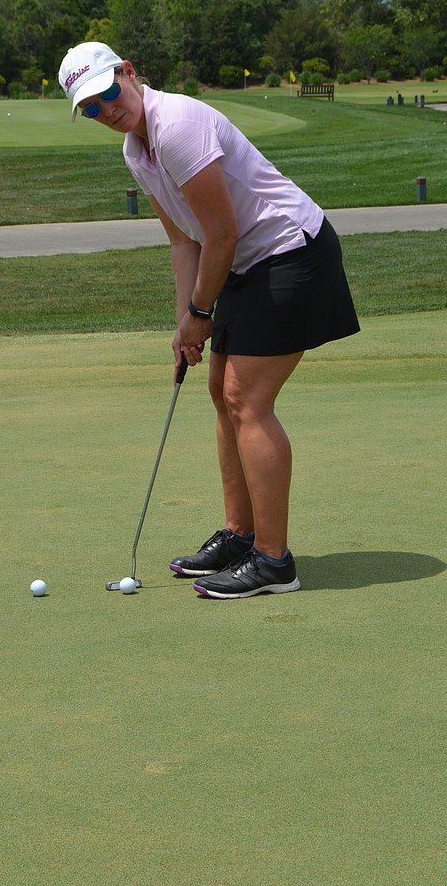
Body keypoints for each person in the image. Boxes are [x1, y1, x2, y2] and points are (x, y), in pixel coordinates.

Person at [58, 41, 360, 600]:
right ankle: (241, 537)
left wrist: (202, 313)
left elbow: (221, 233)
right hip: (246, 261)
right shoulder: (136, 150)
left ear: (127, 73)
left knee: (246, 399)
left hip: (291, 252)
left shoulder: (176, 123)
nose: (106, 109)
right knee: (220, 392)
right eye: (91, 107)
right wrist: (184, 324)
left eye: (107, 92)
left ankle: (274, 562)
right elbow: (184, 240)